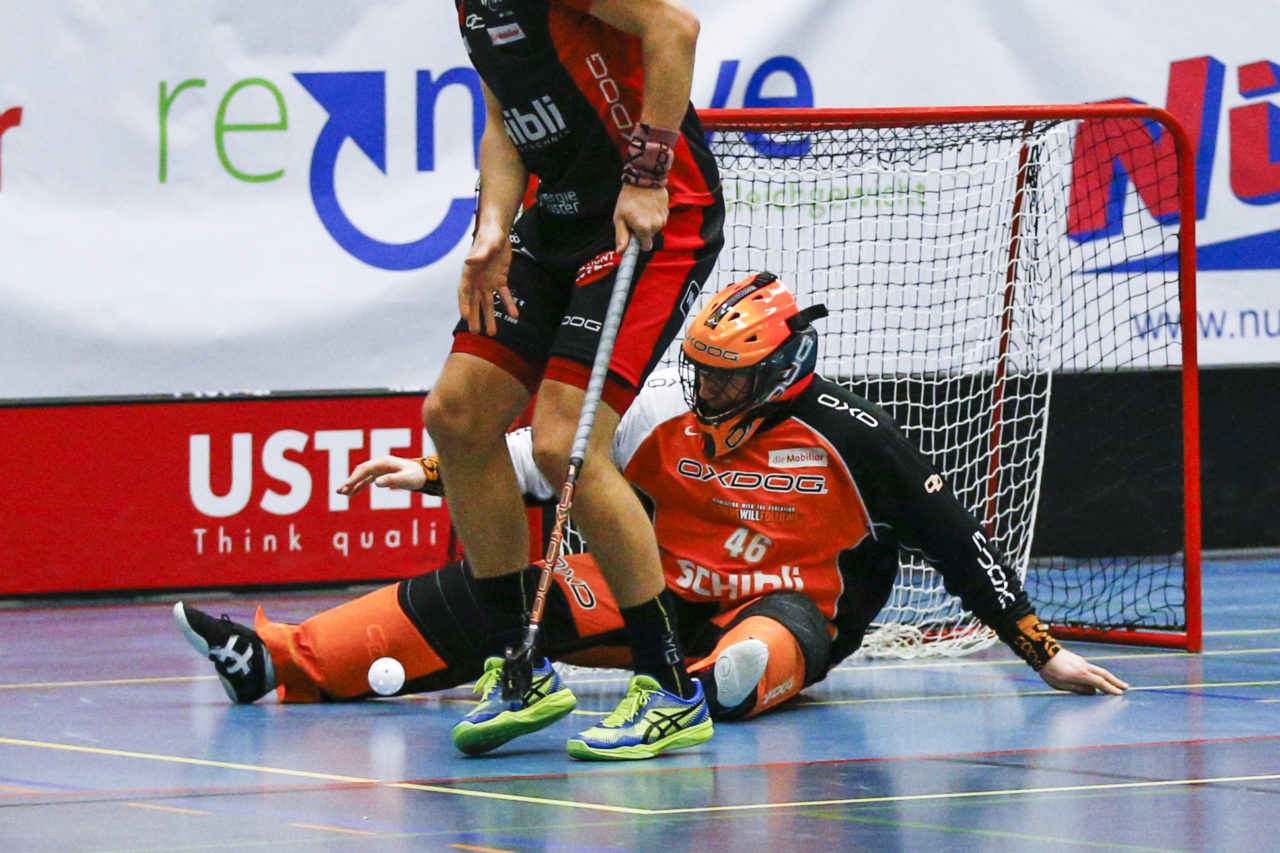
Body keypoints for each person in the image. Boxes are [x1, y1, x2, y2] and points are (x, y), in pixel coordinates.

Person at [173, 275, 1126, 753]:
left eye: (731, 375)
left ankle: (692, 699)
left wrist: (1044, 652)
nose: (708, 386)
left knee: (758, 659)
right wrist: (428, 468)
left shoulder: (858, 438)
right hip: (656, 594)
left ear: (781, 370)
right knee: (489, 595)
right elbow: (538, 465)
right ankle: (277, 659)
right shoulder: (663, 412)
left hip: (793, 610)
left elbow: (959, 544)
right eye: (703, 369)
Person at [417, 0, 725, 760]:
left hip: (650, 212)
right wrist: (492, 226)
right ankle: (519, 668)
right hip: (553, 221)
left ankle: (670, 690)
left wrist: (649, 170)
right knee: (456, 415)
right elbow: (505, 124)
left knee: (564, 444)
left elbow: (673, 30)